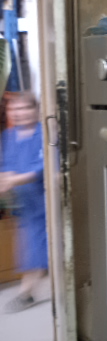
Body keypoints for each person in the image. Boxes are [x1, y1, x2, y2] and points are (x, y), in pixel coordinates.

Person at [0, 92, 48, 312]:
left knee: (36, 244)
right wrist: (5, 181)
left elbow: (45, 166)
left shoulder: (44, 133)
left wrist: (15, 180)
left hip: (43, 197)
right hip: (22, 201)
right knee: (28, 243)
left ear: (36, 110)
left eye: (26, 108)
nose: (20, 113)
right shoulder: (9, 135)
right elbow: (6, 163)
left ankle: (26, 293)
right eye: (15, 109)